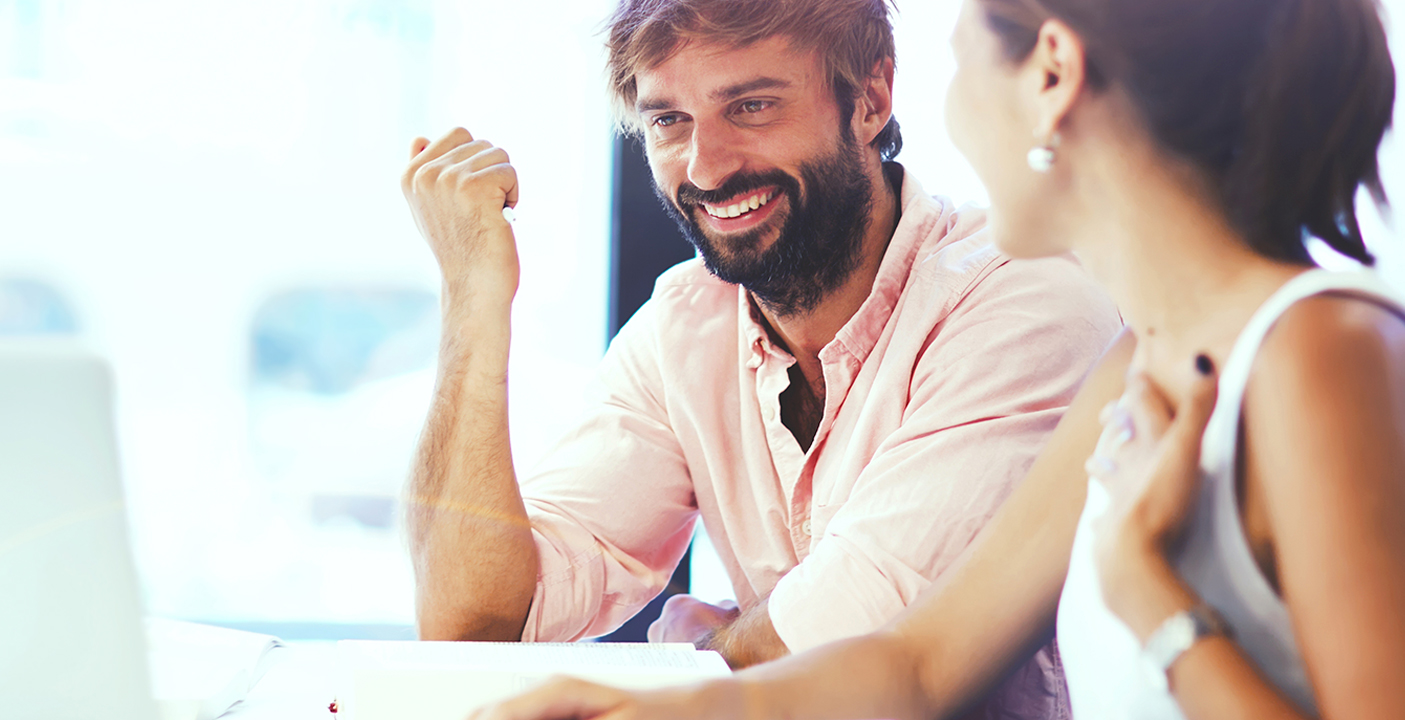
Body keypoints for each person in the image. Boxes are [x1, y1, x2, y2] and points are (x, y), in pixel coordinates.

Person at [471, 0, 1405, 717]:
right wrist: (639, 708)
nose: (946, 122)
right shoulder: (1139, 366)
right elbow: (915, 662)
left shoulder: (1320, 351)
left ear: (1049, 77)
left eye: (959, 64)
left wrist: (1148, 597)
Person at [400, 0, 1119, 715]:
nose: (704, 168)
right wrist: (472, 295)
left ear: (869, 101)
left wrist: (697, 663)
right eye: (668, 121)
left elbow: (859, 633)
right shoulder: (682, 327)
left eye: (748, 107)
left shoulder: (1022, 298)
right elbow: (475, 624)